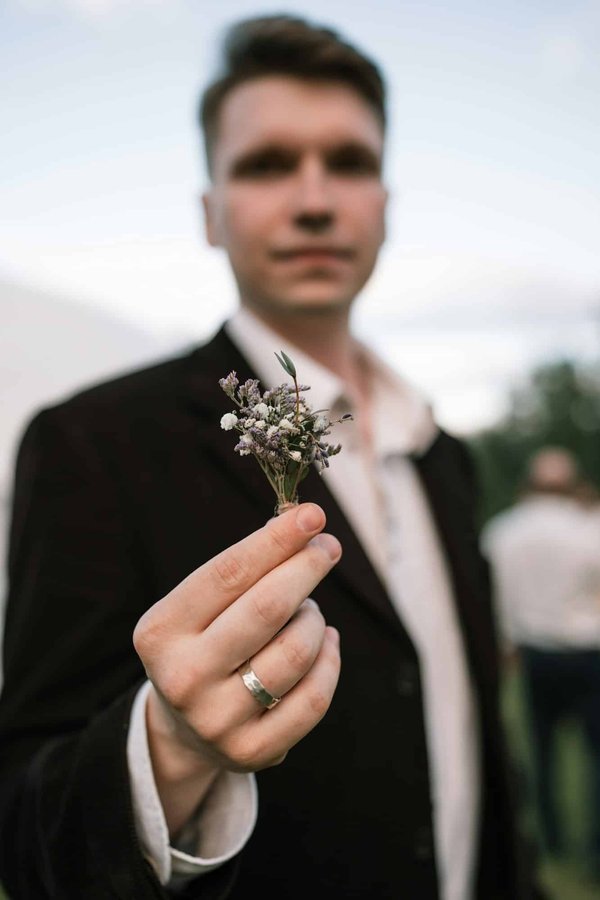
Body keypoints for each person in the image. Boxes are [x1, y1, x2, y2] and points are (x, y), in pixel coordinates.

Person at [0, 14, 543, 900]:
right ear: (211, 214)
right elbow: (25, 821)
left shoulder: (444, 454)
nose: (315, 198)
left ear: (385, 206)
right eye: (266, 164)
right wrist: (168, 748)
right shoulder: (91, 444)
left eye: (350, 162)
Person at [482, 447, 600, 878]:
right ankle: (595, 851)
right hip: (589, 653)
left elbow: (496, 598)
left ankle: (551, 839)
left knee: (542, 751)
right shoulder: (589, 527)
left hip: (535, 655)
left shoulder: (503, 531)